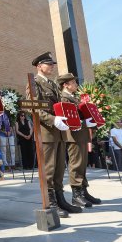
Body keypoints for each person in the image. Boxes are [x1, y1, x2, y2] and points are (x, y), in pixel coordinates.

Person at [31, 52, 79, 218]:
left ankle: (60, 199)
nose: (52, 66)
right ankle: (51, 202)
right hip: (47, 133)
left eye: (52, 64)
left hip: (58, 133)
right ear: (39, 66)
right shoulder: (34, 82)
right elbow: (35, 108)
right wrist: (53, 119)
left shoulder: (51, 83)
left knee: (59, 168)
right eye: (48, 64)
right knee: (49, 169)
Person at [58, 73, 101, 207]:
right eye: (73, 82)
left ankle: (83, 191)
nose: (76, 85)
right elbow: (68, 115)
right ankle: (76, 195)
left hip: (81, 133)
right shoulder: (63, 98)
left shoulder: (73, 97)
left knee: (83, 163)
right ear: (66, 84)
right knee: (76, 164)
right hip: (73, 134)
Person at [0, 112, 15, 179]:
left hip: (10, 133)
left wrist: (9, 131)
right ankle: (5, 165)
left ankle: (12, 164)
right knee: (4, 150)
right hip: (2, 134)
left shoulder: (9, 112)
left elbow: (12, 123)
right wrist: (4, 131)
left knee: (12, 149)